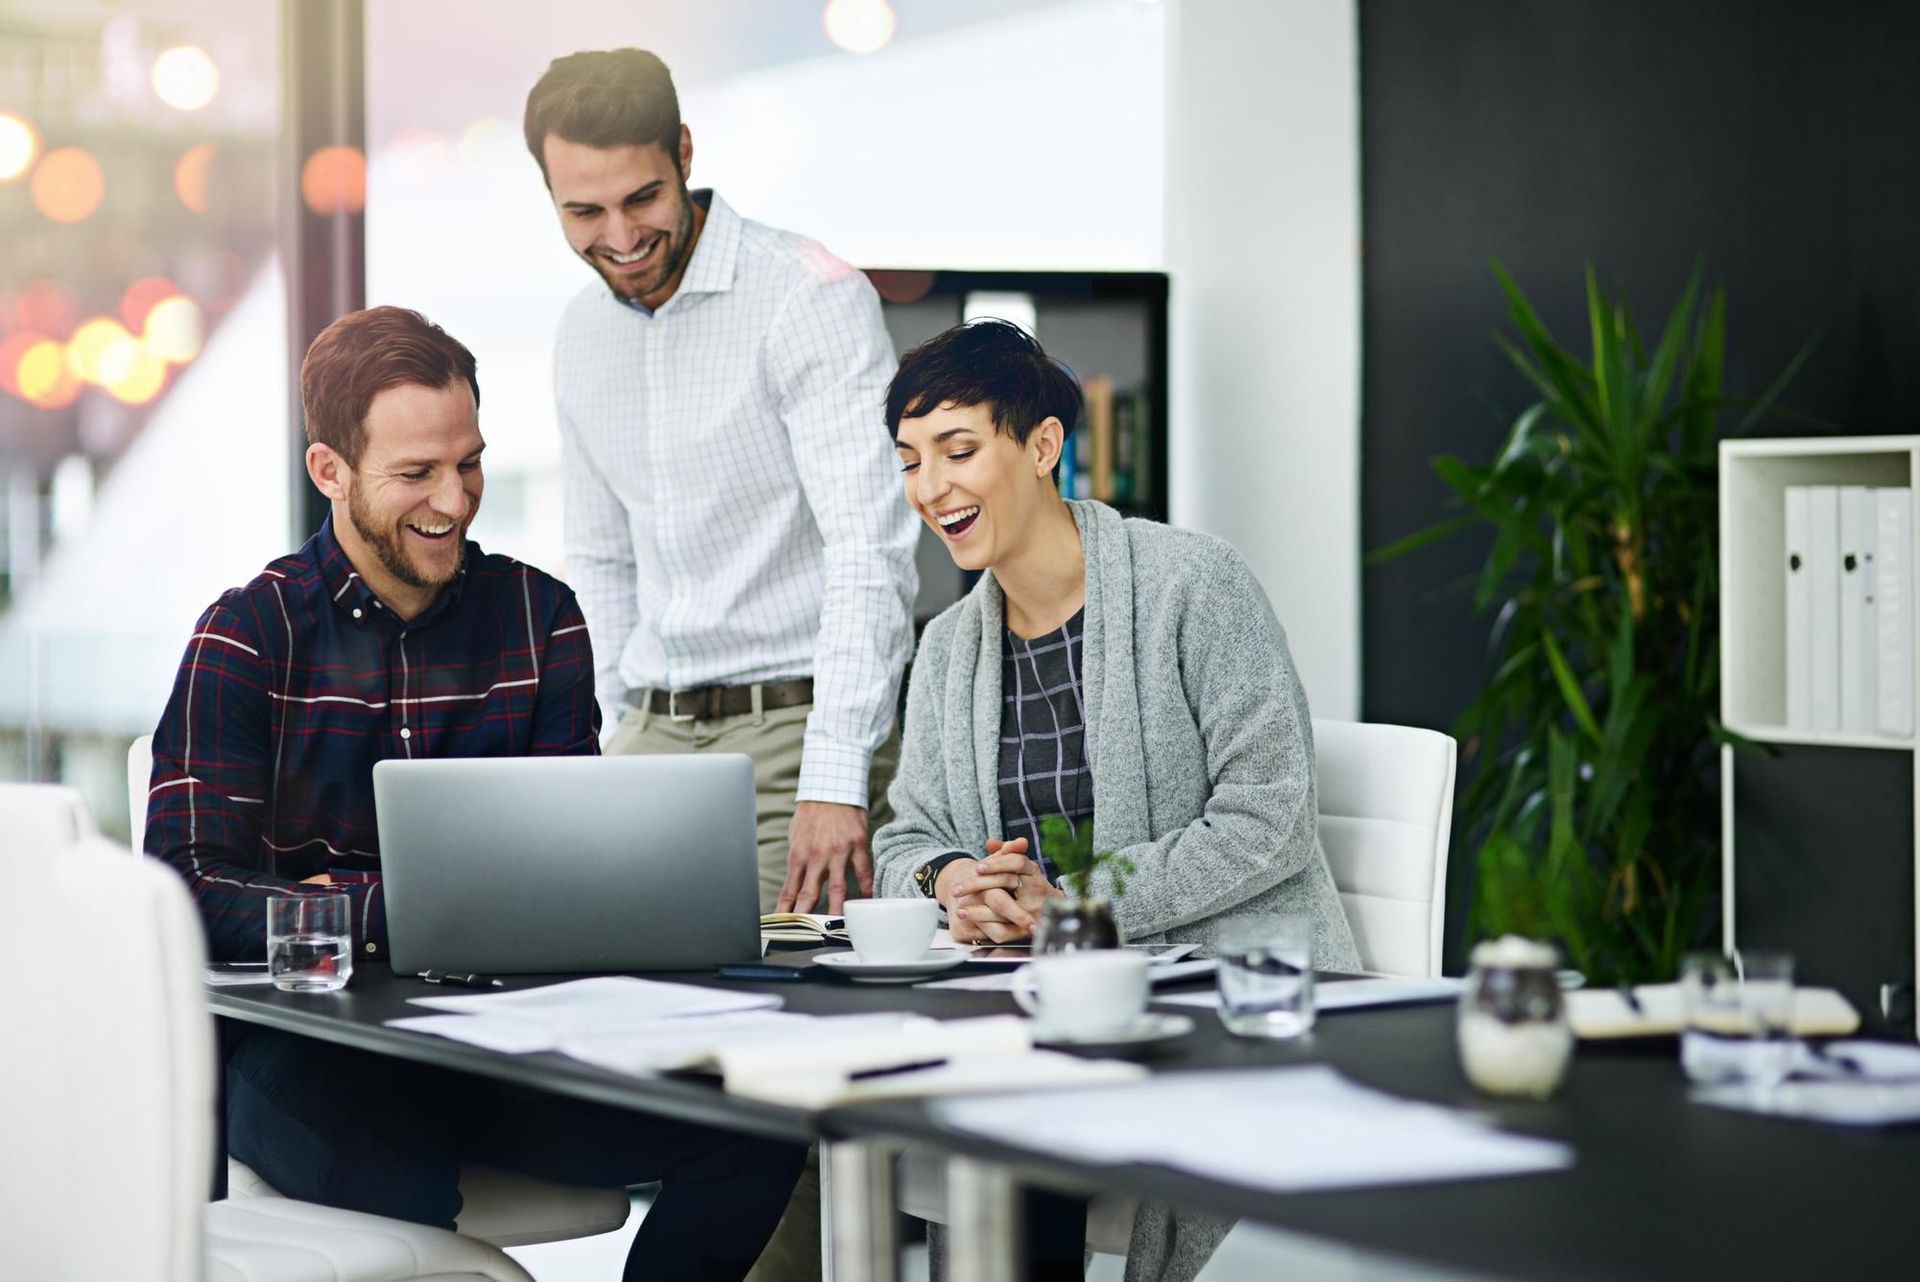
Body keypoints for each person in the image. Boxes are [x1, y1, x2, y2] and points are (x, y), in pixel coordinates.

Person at [145, 306, 806, 1282]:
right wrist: (402, 908)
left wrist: (340, 900)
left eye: (471, 462)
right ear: (330, 470)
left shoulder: (540, 619)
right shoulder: (250, 635)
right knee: (395, 1169)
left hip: (509, 1046)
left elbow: (565, 875)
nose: (454, 499)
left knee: (758, 1123)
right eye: (416, 473)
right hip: (312, 1058)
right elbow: (185, 896)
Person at [872, 318, 1361, 1281]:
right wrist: (954, 878)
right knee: (994, 1126)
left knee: (1016, 1128)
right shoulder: (946, 650)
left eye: (959, 451)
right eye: (910, 461)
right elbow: (906, 837)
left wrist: (1081, 907)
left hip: (1226, 1001)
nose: (932, 488)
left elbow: (1271, 809)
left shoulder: (1194, 586)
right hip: (1048, 1013)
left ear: (1044, 446)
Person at [524, 48, 918, 920]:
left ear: (686, 156)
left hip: (794, 725)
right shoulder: (580, 335)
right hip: (652, 729)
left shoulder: (805, 297)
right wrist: (610, 731)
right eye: (584, 211)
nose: (621, 239)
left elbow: (872, 547)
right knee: (576, 967)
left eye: (642, 199)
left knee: (763, 991)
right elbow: (601, 559)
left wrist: (836, 777)